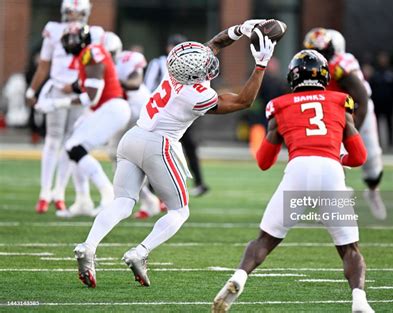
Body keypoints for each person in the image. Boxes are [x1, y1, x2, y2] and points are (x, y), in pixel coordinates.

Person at [72, 20, 277, 288]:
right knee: (179, 212)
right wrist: (260, 64)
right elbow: (243, 101)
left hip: (132, 136)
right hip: (159, 144)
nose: (209, 65)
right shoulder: (197, 95)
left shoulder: (173, 71)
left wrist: (239, 30)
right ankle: (140, 252)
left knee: (122, 202)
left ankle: (89, 246)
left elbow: (214, 44)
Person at [212, 50, 373, 313]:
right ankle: (359, 300)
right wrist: (337, 156)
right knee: (349, 249)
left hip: (298, 169)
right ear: (324, 76)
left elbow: (264, 161)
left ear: (292, 77)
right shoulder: (340, 101)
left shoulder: (280, 105)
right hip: (331, 170)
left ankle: (239, 277)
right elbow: (359, 156)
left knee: (264, 240)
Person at [35, 23, 131, 218]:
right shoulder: (84, 56)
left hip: (112, 107)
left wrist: (54, 104)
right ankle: (83, 200)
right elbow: (80, 88)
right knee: (72, 148)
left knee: (75, 147)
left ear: (83, 38)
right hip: (105, 108)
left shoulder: (92, 53)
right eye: (66, 39)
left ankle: (107, 194)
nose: (69, 43)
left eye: (73, 38)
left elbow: (91, 97)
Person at [26, 0, 103, 214]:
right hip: (58, 89)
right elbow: (44, 64)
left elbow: (96, 67)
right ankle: (44, 192)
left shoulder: (94, 33)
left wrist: (79, 85)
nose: (74, 17)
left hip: (80, 93)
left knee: (71, 143)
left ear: (86, 13)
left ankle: (58, 193)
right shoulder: (54, 30)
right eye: (70, 13)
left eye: (79, 13)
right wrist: (32, 90)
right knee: (52, 140)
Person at [304, 28, 387, 220]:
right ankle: (338, 197)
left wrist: (352, 130)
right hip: (335, 110)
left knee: (372, 158)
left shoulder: (342, 66)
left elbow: (363, 101)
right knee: (333, 154)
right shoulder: (313, 64)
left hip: (358, 109)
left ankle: (373, 191)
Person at [102, 31, 165, 218]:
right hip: (120, 110)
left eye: (110, 53)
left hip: (138, 111)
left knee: (135, 157)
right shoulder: (102, 63)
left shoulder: (128, 60)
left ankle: (157, 198)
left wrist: (111, 82)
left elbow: (135, 83)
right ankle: (148, 199)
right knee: (115, 155)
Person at [144, 34, 210, 204]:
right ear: (168, 48)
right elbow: (148, 87)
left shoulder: (189, 65)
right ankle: (152, 190)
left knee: (189, 148)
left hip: (182, 113)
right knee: (160, 151)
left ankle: (198, 182)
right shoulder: (159, 64)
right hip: (163, 114)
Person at [370, 51, 393, 148]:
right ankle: (377, 143)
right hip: (377, 103)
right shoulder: (375, 73)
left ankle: (391, 143)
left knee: (390, 124)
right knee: (376, 124)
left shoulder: (392, 72)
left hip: (389, 104)